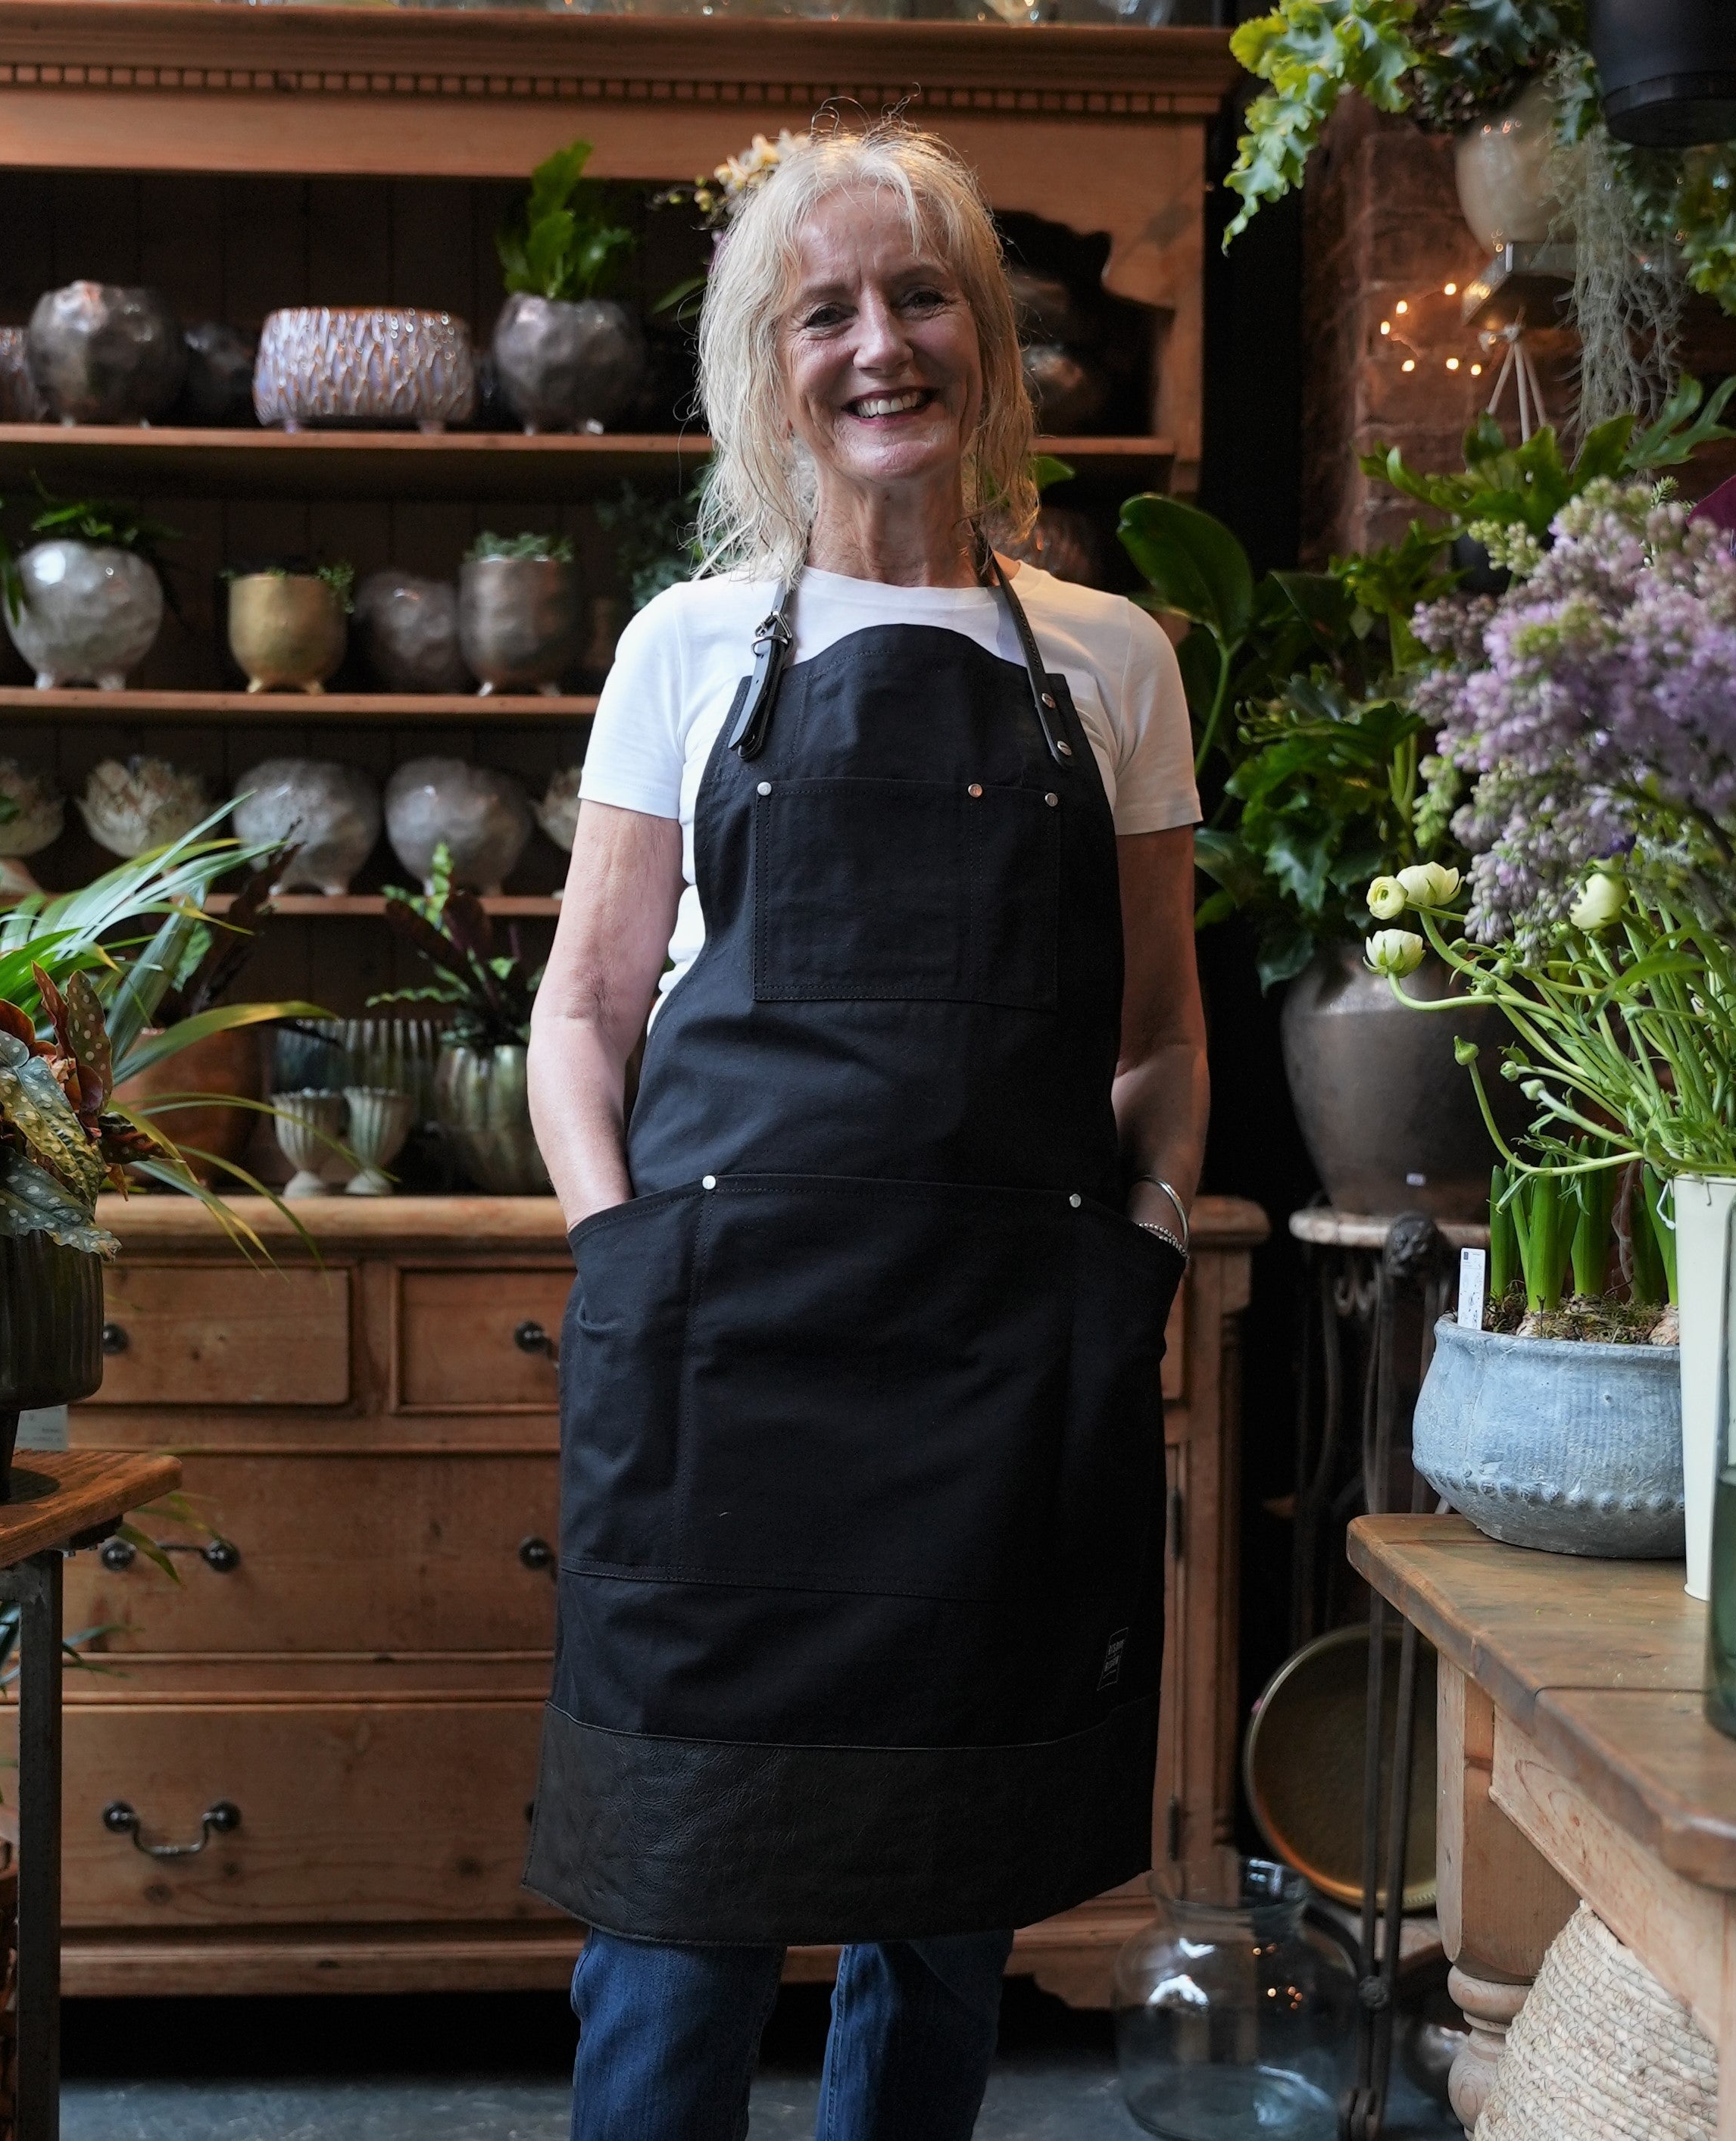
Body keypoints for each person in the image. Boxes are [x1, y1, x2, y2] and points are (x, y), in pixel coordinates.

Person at [525, 119, 1207, 2141]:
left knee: (943, 1904)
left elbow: (1154, 1032)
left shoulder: (1108, 660)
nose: (877, 343)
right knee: (676, 1906)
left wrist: (1142, 1240)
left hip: (992, 1352)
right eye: (824, 308)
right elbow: (582, 1004)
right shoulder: (689, 652)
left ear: (987, 344)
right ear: (768, 366)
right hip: (722, 1343)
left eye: (919, 297)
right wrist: (614, 1242)